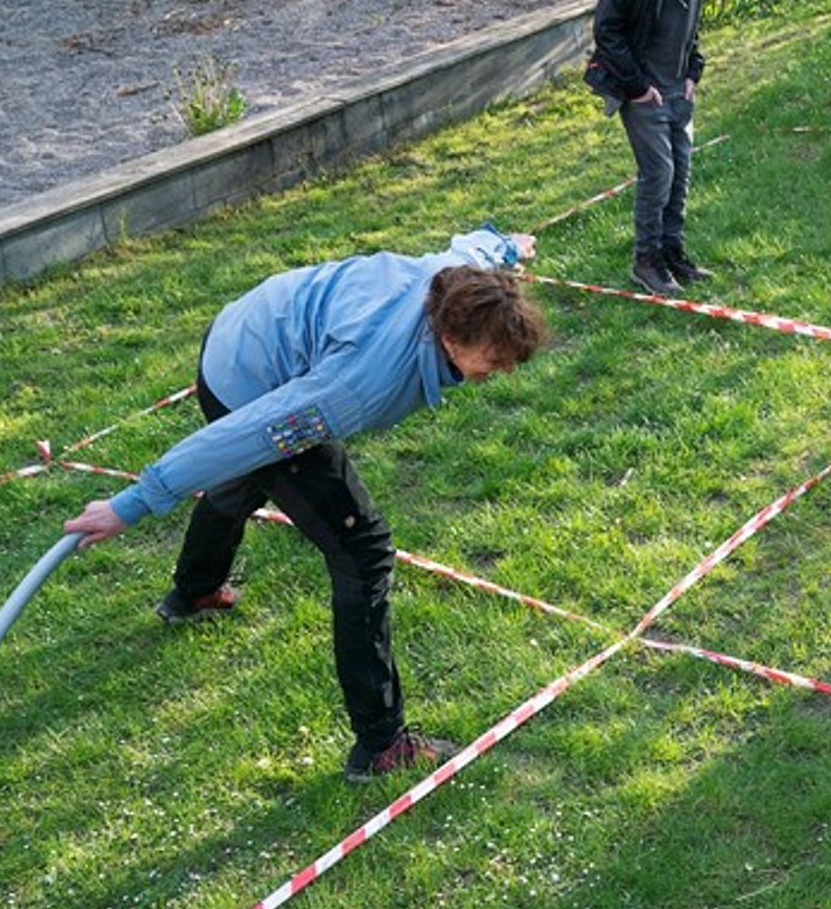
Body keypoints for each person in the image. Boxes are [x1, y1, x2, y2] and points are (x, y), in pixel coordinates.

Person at [61, 228, 550, 782]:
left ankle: (195, 591)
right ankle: (381, 745)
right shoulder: (359, 383)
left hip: (246, 329)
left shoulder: (456, 281)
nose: (502, 369)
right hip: (247, 382)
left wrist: (505, 244)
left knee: (247, 481)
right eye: (494, 358)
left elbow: (471, 249)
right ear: (448, 336)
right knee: (362, 548)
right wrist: (134, 503)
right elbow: (246, 435)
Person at [588, 0, 720, 298]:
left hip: (678, 88)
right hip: (644, 90)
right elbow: (606, 27)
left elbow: (689, 25)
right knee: (658, 173)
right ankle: (645, 262)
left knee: (680, 173)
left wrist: (691, 72)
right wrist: (638, 86)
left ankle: (671, 252)